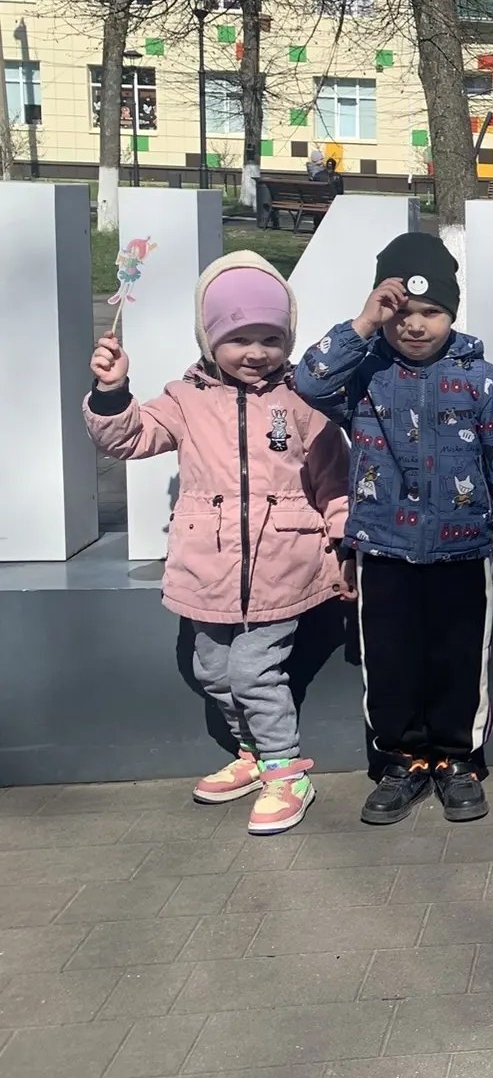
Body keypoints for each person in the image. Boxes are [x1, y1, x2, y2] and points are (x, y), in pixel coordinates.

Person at [84, 254, 347, 835]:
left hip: (284, 565)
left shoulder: (302, 400)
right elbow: (128, 438)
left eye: (271, 339)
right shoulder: (184, 399)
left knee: (253, 672)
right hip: (207, 568)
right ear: (209, 339)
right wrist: (111, 391)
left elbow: (334, 481)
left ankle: (286, 771)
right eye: (239, 338)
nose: (256, 352)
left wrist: (345, 545)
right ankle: (252, 753)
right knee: (214, 672)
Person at [295, 232, 493, 825]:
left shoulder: (480, 378)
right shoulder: (364, 374)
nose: (414, 325)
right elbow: (309, 382)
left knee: (459, 659)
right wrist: (363, 323)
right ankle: (401, 760)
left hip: (463, 553)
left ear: (452, 312)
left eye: (431, 312)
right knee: (389, 660)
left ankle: (458, 760)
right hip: (383, 550)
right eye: (400, 311)